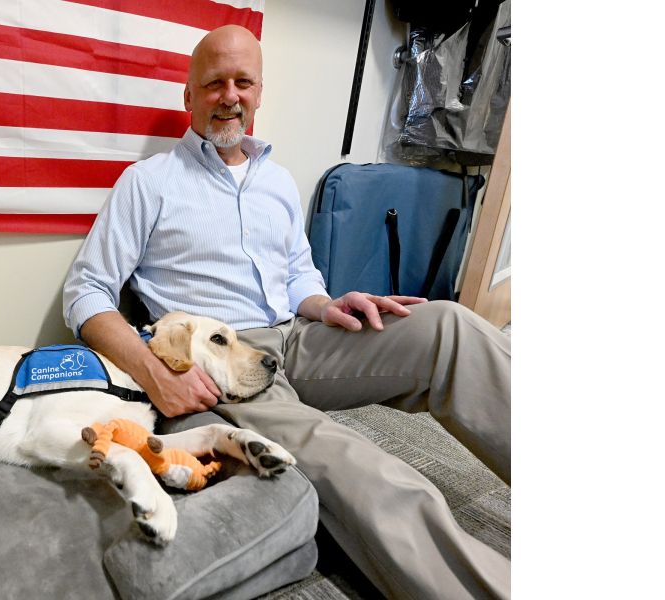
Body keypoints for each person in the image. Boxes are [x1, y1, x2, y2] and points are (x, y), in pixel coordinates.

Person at [62, 25, 512, 599]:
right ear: (189, 96)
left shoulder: (276, 180)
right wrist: (154, 372)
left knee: (451, 326)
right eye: (214, 83)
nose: (230, 95)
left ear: (258, 92)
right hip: (225, 363)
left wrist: (328, 304)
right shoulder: (148, 183)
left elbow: (299, 274)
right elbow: (86, 294)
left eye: (243, 82)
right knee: (360, 462)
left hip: (298, 337)